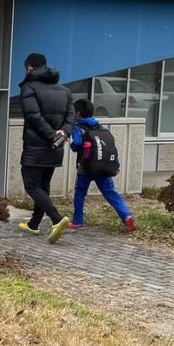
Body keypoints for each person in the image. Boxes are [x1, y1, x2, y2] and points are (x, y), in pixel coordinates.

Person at [18, 52, 75, 242]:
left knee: (31, 185)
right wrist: (63, 134)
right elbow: (71, 117)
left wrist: (51, 135)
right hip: (55, 147)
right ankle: (34, 224)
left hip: (36, 146)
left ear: (29, 68)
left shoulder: (28, 87)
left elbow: (33, 116)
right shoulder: (65, 91)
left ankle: (56, 218)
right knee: (42, 185)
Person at [69, 99, 136, 232]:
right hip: (104, 167)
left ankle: (77, 221)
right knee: (111, 192)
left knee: (80, 193)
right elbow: (110, 147)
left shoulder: (78, 128)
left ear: (78, 113)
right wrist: (116, 165)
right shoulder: (101, 127)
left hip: (86, 168)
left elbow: (75, 145)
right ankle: (127, 216)